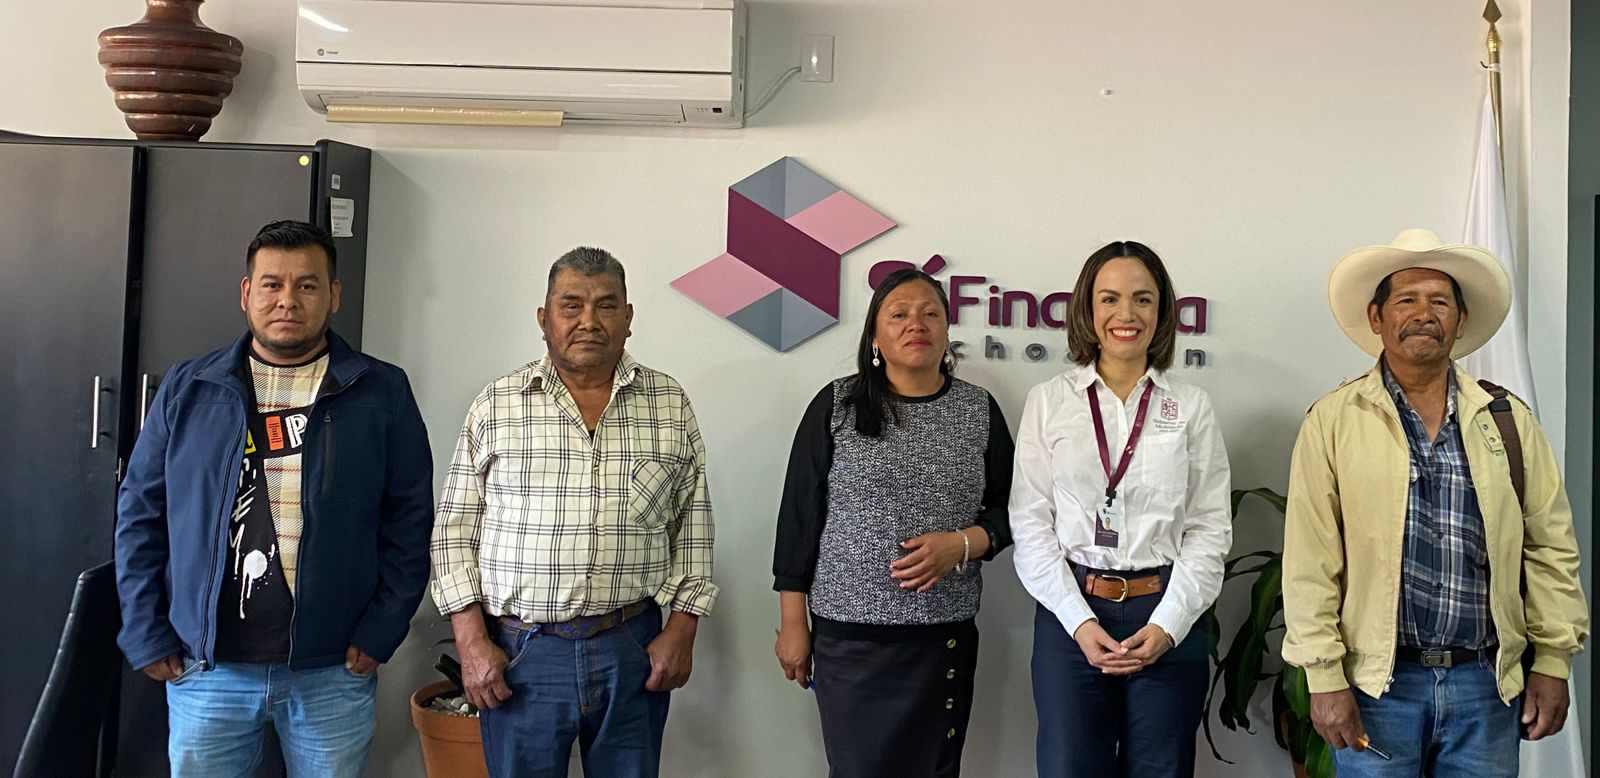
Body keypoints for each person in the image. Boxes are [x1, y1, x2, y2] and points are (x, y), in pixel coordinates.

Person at [114, 220, 436, 777]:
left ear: (334, 295)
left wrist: (382, 628)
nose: (288, 300)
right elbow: (140, 513)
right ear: (247, 293)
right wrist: (144, 628)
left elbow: (410, 519)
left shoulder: (379, 391)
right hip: (206, 667)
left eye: (307, 285)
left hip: (331, 668)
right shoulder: (191, 389)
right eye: (272, 284)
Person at [1282, 228, 1589, 777]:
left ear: (1460, 321)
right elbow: (1311, 559)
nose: (1423, 314)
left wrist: (1552, 659)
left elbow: (1549, 545)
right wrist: (1323, 677)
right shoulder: (1332, 421)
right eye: (1406, 300)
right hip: (1378, 686)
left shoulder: (1506, 420)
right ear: (1376, 318)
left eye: (1440, 302)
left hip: (1484, 686)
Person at [431, 247, 717, 778]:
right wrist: (470, 642)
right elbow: (453, 532)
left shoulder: (668, 403)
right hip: (521, 653)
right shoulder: (497, 405)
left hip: (630, 646)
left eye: (606, 305)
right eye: (571, 306)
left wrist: (683, 628)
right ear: (544, 320)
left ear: (628, 318)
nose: (589, 321)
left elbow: (693, 525)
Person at [771, 267, 1014, 778]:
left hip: (942, 638)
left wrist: (963, 544)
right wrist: (793, 624)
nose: (915, 324)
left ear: (947, 330)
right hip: (850, 640)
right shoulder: (836, 405)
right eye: (898, 314)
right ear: (875, 337)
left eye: (930, 314)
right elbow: (798, 519)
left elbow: (1013, 510)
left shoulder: (978, 409)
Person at [1009, 240, 1232, 778]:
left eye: (1142, 299)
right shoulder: (1050, 401)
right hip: (1071, 616)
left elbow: (1209, 527)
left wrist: (1169, 625)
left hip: (1167, 612)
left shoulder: (1191, 406)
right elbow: (1030, 523)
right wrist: (1080, 622)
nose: (1125, 314)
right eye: (1109, 299)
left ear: (1162, 312)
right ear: (1088, 309)